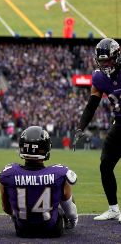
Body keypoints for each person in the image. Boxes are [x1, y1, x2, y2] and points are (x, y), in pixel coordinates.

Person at [73, 38, 121, 222]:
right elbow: (91, 105)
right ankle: (114, 209)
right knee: (105, 165)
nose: (105, 64)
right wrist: (80, 128)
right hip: (119, 124)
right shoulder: (99, 78)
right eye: (102, 61)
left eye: (108, 60)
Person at [0, 126, 78, 238]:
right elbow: (70, 210)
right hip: (52, 230)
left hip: (23, 231)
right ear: (46, 148)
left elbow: (6, 209)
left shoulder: (8, 173)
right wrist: (73, 219)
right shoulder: (59, 173)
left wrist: (16, 215)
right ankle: (71, 224)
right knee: (63, 192)